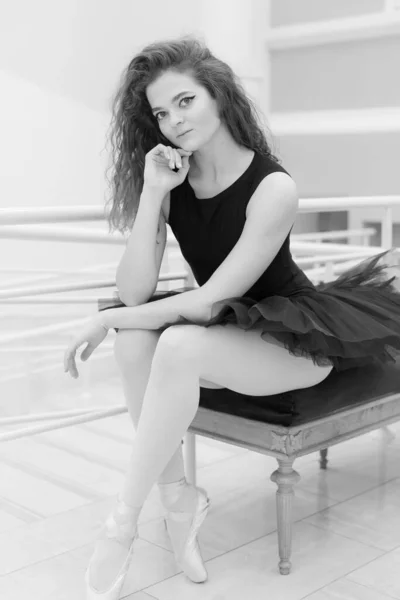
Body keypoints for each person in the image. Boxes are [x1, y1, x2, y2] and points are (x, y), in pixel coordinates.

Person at [63, 36, 400, 598]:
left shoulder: (274, 188)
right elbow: (134, 288)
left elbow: (210, 300)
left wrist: (109, 319)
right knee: (135, 344)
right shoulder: (174, 182)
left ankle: (122, 522)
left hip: (294, 342)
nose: (173, 121)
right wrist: (152, 195)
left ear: (218, 95)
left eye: (186, 101)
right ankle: (177, 504)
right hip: (227, 334)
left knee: (166, 341)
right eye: (161, 113)